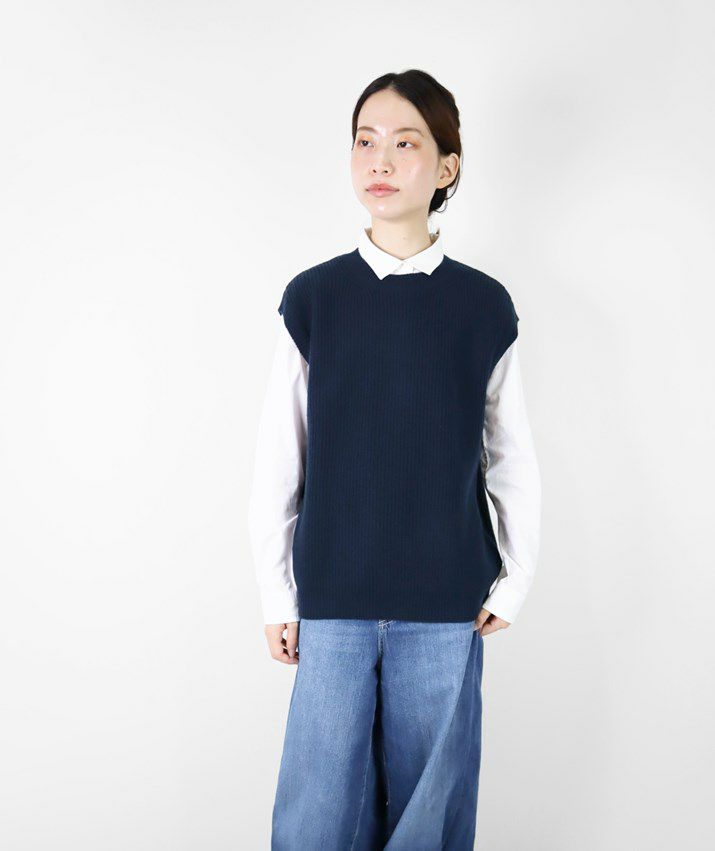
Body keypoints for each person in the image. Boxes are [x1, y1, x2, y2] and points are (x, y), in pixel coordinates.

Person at [248, 69, 541, 850]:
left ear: (446, 166)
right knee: (317, 812)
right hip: (331, 600)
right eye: (364, 141)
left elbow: (509, 454)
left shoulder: (482, 306)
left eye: (405, 143)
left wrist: (514, 577)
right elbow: (281, 454)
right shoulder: (313, 299)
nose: (379, 159)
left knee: (428, 813)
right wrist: (276, 590)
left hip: (444, 602)